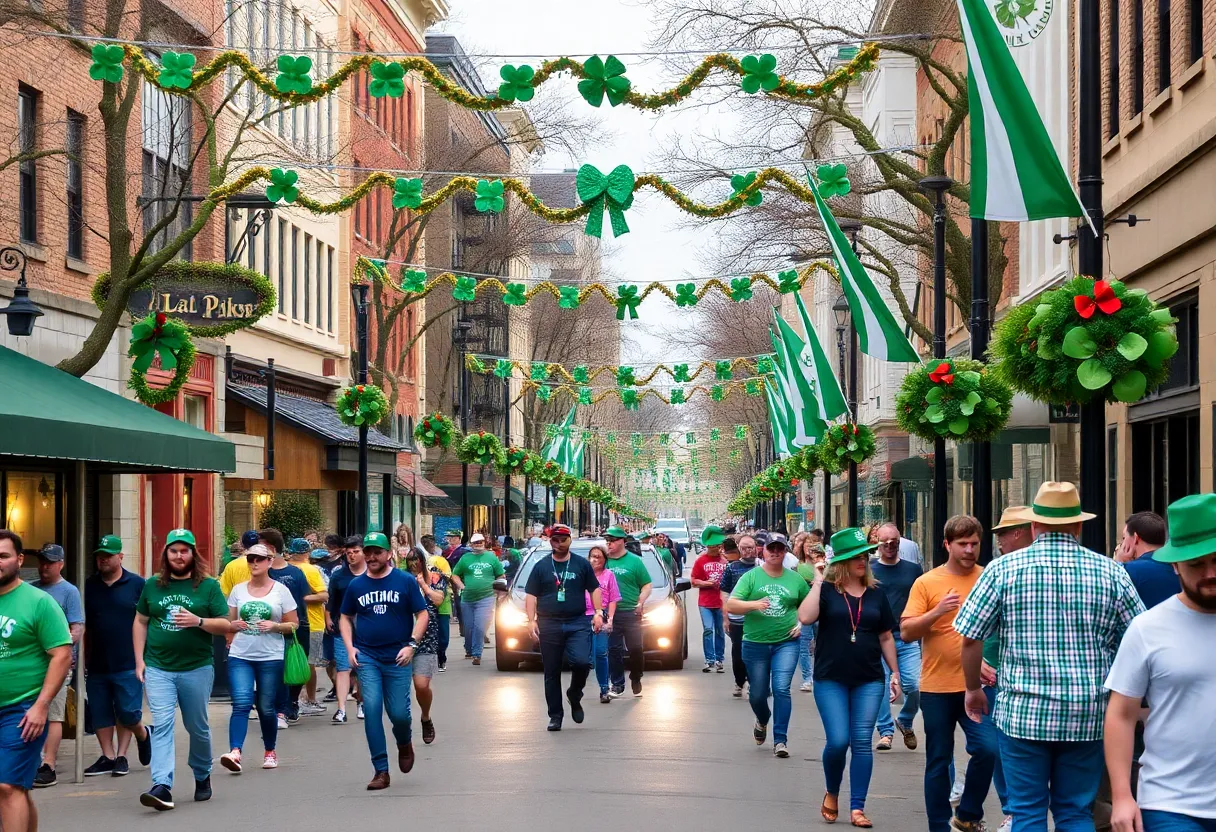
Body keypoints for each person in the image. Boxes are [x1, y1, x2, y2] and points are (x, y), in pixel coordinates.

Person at [954, 483, 1144, 832]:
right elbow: (1138, 641)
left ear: (1034, 526)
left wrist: (972, 688)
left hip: (1023, 714)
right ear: (1078, 526)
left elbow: (970, 639)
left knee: (1027, 811)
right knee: (1075, 812)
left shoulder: (1002, 570)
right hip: (1087, 713)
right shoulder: (1111, 572)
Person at [1104, 493, 1216, 832]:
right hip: (1170, 804)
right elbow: (1121, 713)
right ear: (1175, 566)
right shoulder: (1147, 628)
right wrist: (1122, 795)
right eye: (1197, 564)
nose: (1210, 573)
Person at [799, 527, 901, 828]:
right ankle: (832, 791)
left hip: (869, 678)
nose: (863, 560)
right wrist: (819, 581)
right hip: (831, 677)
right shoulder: (827, 592)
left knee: (860, 741)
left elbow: (885, 636)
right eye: (855, 556)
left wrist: (894, 673)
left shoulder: (876, 594)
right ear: (841, 561)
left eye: (864, 555)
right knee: (838, 740)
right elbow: (805, 618)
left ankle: (857, 807)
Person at [901, 516, 997, 832]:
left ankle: (968, 812)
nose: (970, 550)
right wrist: (938, 611)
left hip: (979, 687)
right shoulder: (927, 582)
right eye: (962, 544)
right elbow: (907, 632)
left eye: (974, 543)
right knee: (939, 760)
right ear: (947, 545)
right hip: (937, 686)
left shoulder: (989, 578)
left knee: (988, 749)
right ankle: (937, 824)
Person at [134, 529, 230, 811]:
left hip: (196, 668)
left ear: (193, 554)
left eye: (184, 550)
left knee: (197, 727)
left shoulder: (208, 586)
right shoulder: (153, 585)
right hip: (158, 667)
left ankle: (202, 774)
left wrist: (198, 621)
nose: (178, 556)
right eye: (173, 551)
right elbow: (140, 621)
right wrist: (139, 660)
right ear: (166, 554)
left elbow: (225, 624)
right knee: (162, 726)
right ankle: (162, 785)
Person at [339, 532, 429, 791]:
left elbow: (421, 613)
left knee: (399, 714)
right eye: (367, 552)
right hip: (368, 656)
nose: (371, 557)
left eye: (377, 552)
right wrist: (350, 648)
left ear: (389, 554)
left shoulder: (404, 581)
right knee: (373, 710)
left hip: (398, 657)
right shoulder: (356, 585)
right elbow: (345, 617)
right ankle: (381, 770)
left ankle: (404, 742)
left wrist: (412, 644)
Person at [0, 529, 71, 832]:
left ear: (18, 560)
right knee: (16, 788)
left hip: (22, 709)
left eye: (3, 556)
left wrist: (41, 707)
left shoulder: (39, 602)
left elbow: (62, 654)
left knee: (5, 787)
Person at [218, 543, 299, 773]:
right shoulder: (238, 590)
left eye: (259, 559)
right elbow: (228, 621)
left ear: (269, 562)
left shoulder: (280, 590)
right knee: (242, 703)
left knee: (265, 706)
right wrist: (231, 631)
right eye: (250, 559)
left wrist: (275, 626)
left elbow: (294, 624)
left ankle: (270, 750)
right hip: (241, 654)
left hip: (270, 656)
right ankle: (235, 752)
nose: (254, 563)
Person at [725, 537, 808, 759]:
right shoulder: (751, 577)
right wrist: (754, 604)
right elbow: (731, 604)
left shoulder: (796, 579)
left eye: (780, 549)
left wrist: (801, 624)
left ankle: (780, 740)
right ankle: (762, 718)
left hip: (786, 642)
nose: (775, 553)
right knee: (758, 694)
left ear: (785, 553)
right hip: (755, 643)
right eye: (771, 549)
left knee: (781, 689)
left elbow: (809, 607)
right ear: (764, 552)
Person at [82, 536, 151, 778]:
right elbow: (84, 624)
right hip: (97, 660)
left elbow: (147, 621)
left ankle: (135, 741)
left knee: (127, 711)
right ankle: (109, 756)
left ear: (120, 557)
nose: (102, 559)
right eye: (99, 555)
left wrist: (144, 657)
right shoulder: (89, 586)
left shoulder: (137, 584)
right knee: (100, 711)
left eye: (108, 555)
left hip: (129, 660)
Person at [985, 506, 1035, 832]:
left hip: (1016, 674)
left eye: (1002, 533)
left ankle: (1019, 810)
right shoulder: (998, 568)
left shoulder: (1002, 570)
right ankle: (1012, 808)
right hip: (993, 670)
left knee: (1007, 746)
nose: (999, 540)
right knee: (998, 746)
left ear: (1018, 533)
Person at [523, 524, 603, 731]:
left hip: (577, 621)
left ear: (570, 541)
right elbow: (531, 594)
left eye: (563, 540)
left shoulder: (580, 565)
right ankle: (555, 715)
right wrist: (531, 620)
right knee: (551, 671)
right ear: (550, 541)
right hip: (549, 622)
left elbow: (594, 588)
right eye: (555, 540)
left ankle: (575, 694)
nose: (559, 544)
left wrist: (598, 612)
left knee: (582, 663)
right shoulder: (541, 566)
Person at [30, 543, 85, 788]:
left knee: (53, 713)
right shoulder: (30, 590)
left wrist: (55, 644)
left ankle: (48, 764)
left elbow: (77, 629)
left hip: (58, 662)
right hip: (30, 663)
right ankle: (31, 760)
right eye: (42, 561)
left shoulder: (69, 592)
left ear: (60, 564)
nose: (44, 566)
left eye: (50, 562)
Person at [870, 521, 925, 752]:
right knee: (881, 685)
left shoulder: (912, 569)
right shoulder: (870, 569)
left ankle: (905, 719)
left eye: (895, 542)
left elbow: (923, 598)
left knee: (915, 684)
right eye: (886, 542)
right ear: (878, 544)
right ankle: (886, 732)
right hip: (879, 636)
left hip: (906, 636)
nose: (891, 546)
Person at [401, 548, 446, 745]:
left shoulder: (435, 575)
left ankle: (425, 717)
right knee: (401, 689)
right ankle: (403, 726)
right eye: (410, 560)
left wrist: (423, 586)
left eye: (417, 559)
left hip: (427, 637)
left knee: (421, 685)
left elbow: (439, 600)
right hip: (401, 638)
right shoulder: (400, 578)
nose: (414, 564)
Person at [603, 526, 652, 698]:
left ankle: (636, 675)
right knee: (614, 649)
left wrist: (640, 601)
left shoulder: (634, 561)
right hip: (610, 614)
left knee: (636, 648)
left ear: (623, 541)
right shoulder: (604, 561)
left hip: (631, 612)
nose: (609, 543)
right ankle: (617, 684)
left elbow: (647, 584)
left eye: (613, 540)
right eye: (607, 540)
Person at [286, 538, 329, 715]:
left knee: (291, 661)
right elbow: (323, 595)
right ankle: (308, 700)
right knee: (309, 663)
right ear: (307, 552)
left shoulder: (283, 569)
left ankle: (294, 700)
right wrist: (299, 598)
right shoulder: (311, 570)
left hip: (289, 622)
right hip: (312, 622)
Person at [326, 536, 366, 724]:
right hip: (343, 627)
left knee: (362, 669)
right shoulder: (339, 576)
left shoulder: (372, 573)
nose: (352, 556)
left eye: (355, 552)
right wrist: (328, 618)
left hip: (367, 628)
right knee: (343, 668)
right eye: (348, 553)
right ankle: (341, 709)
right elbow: (332, 601)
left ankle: (362, 703)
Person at [451, 533, 503, 666]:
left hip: (486, 598)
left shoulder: (491, 557)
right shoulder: (465, 558)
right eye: (476, 542)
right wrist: (461, 586)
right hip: (467, 599)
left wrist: (499, 590)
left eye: (480, 542)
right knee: (468, 627)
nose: (478, 544)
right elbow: (455, 575)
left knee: (479, 627)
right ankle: (468, 649)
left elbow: (501, 575)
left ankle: (477, 653)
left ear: (484, 543)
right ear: (471, 545)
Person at [720, 534, 758, 698]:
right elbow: (724, 593)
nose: (747, 551)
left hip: (757, 618)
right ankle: (739, 681)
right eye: (744, 548)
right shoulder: (732, 567)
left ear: (756, 547)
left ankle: (754, 681)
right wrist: (726, 617)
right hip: (737, 618)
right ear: (739, 549)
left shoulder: (761, 567)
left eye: (750, 547)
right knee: (738, 651)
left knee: (756, 651)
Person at [1117, 511, 1178, 609]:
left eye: (1124, 538)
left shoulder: (1127, 571)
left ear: (1136, 538)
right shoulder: (1180, 566)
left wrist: (1118, 562)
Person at [690, 525, 728, 673]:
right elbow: (693, 580)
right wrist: (706, 583)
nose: (716, 549)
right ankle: (709, 659)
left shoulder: (724, 562)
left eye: (718, 546)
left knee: (720, 631)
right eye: (713, 546)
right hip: (705, 602)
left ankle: (719, 659)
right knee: (708, 629)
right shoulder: (701, 561)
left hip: (720, 602)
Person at [586, 545, 620, 704]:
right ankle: (577, 689)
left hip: (601, 617)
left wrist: (610, 619)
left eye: (599, 557)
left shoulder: (609, 576)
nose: (595, 560)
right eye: (592, 556)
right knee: (583, 657)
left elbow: (613, 598)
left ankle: (604, 689)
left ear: (604, 560)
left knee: (600, 653)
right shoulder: (583, 575)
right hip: (582, 617)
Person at [794, 540, 822, 692]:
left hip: (822, 611)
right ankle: (807, 678)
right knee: (803, 645)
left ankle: (820, 675)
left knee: (822, 645)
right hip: (803, 610)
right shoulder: (797, 567)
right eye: (807, 546)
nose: (811, 549)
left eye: (814, 546)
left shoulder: (827, 567)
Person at [422, 536, 453, 671]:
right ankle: (433, 658)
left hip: (444, 607)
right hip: (429, 607)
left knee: (444, 637)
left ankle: (442, 656)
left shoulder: (442, 564)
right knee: (430, 635)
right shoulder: (426, 565)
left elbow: (450, 578)